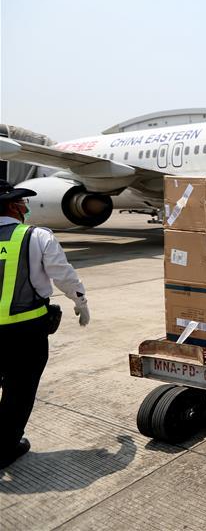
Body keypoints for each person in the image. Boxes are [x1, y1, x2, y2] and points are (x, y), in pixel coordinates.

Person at [0, 180, 89, 469]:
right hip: (24, 332)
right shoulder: (35, 236)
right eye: (22, 203)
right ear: (14, 206)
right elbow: (63, 274)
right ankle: (5, 446)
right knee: (19, 390)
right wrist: (80, 302)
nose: (25, 207)